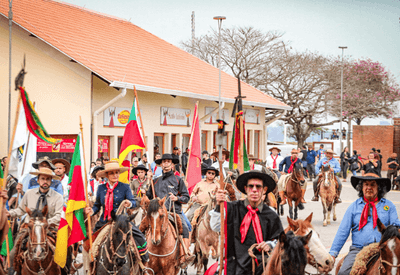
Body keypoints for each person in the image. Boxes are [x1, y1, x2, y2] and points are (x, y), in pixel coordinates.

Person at [209, 171, 283, 275]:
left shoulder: (271, 215)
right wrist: (218, 205)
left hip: (262, 265)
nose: (254, 190)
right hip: (233, 263)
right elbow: (215, 226)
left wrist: (269, 245)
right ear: (245, 189)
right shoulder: (232, 208)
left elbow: (281, 240)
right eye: (251, 186)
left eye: (258, 187)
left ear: (264, 190)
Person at [330, 173, 400, 275]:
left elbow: (396, 227)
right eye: (366, 184)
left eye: (373, 185)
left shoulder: (389, 206)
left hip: (383, 249)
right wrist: (333, 254)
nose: (369, 187)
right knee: (343, 272)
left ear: (378, 188)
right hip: (358, 250)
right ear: (361, 188)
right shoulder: (353, 207)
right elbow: (343, 231)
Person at [84, 160, 149, 263]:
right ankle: (91, 269)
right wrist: (92, 211)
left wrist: (129, 203)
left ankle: (144, 266)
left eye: (117, 172)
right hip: (104, 222)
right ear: (106, 175)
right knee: (89, 244)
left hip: (121, 221)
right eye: (112, 173)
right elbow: (97, 205)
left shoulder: (125, 187)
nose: (115, 175)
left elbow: (134, 202)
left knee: (140, 238)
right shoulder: (101, 188)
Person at [6, 167, 64, 268]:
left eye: (47, 179)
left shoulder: (58, 197)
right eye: (42, 179)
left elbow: (58, 216)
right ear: (38, 180)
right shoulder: (29, 193)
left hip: (50, 228)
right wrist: (9, 213)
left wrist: (43, 223)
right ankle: (12, 271)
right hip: (29, 228)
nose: (45, 181)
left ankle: (68, 267)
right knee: (13, 252)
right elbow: (21, 210)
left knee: (64, 249)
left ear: (51, 181)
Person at [145, 153, 195, 268]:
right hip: (156, 213)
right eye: (163, 162)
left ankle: (184, 255)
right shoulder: (155, 181)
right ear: (161, 164)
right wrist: (149, 181)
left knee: (185, 228)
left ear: (172, 164)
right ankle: (139, 253)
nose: (166, 164)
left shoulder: (178, 180)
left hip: (173, 212)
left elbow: (186, 197)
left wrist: (177, 198)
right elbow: (148, 196)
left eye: (168, 162)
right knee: (140, 227)